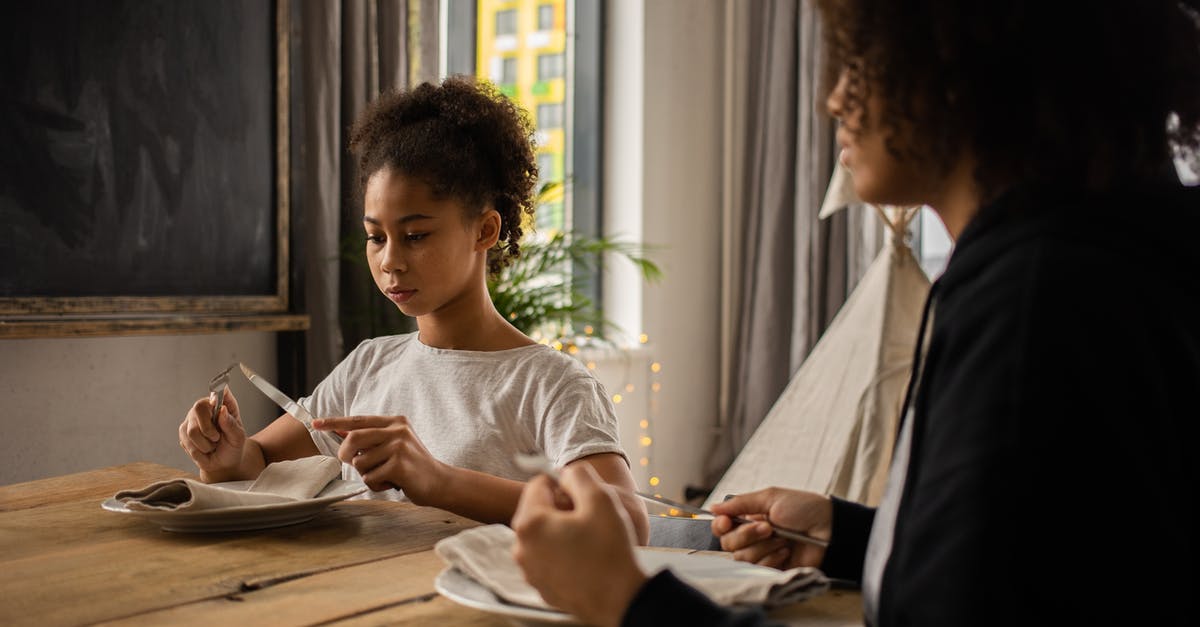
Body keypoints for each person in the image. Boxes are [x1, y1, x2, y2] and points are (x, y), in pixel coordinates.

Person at [510, 1, 1200, 624]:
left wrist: (629, 599)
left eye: (862, 61)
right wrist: (849, 533)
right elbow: (1040, 562)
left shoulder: (1036, 305)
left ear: (962, 65)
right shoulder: (1100, 252)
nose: (833, 97)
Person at [178, 76, 648, 541]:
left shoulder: (550, 385)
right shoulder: (369, 365)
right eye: (375, 237)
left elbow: (626, 522)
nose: (390, 261)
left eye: (416, 236)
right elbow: (257, 460)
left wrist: (438, 481)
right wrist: (226, 456)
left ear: (484, 231)